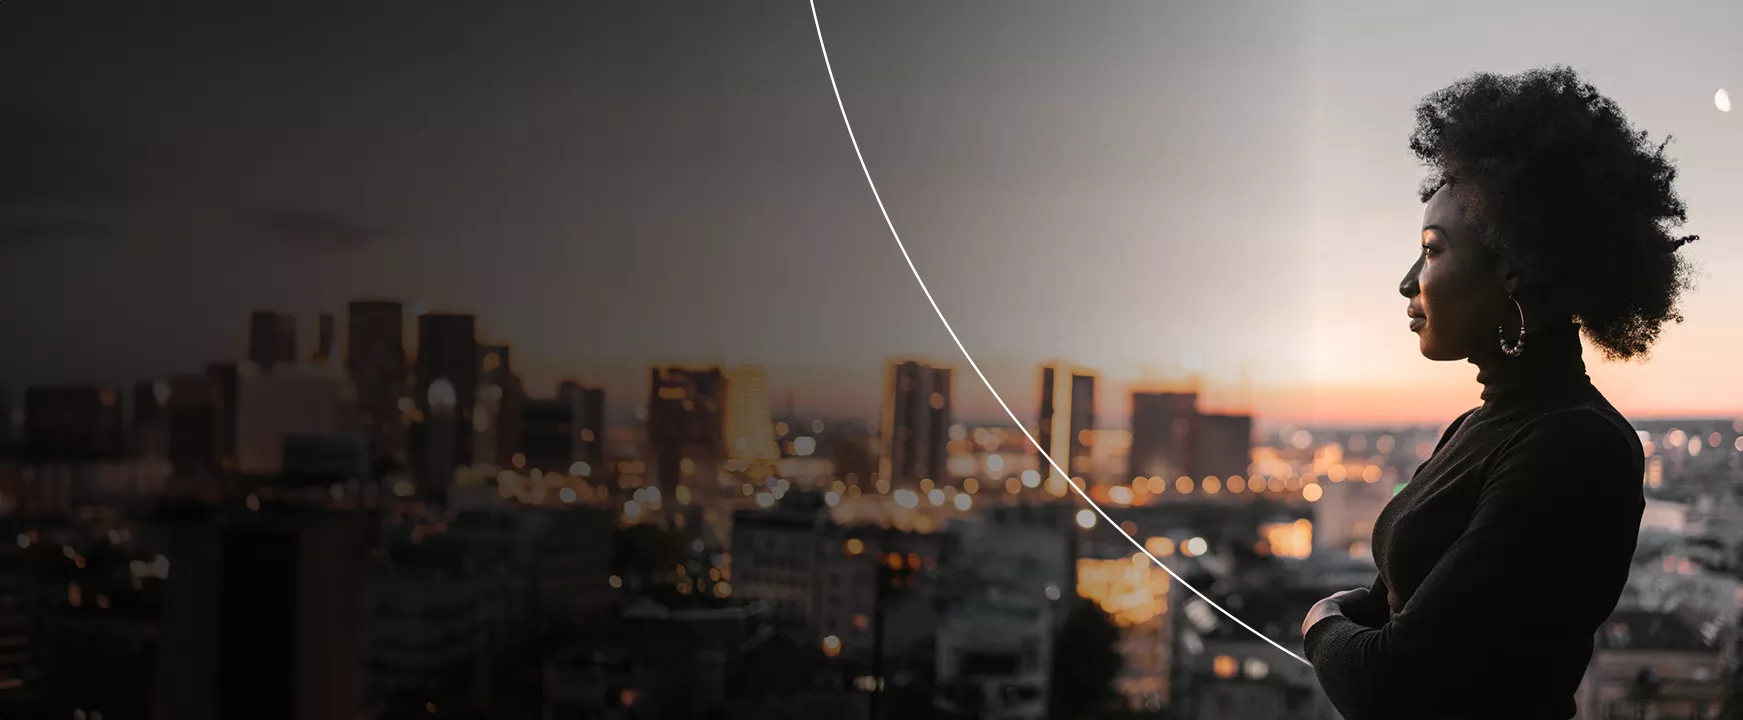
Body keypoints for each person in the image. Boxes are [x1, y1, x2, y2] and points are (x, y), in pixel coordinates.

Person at [1299, 66, 1700, 720]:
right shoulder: (1476, 425)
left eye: (1431, 251)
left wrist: (1317, 619)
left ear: (1513, 265)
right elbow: (1393, 604)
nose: (1407, 282)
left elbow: (1390, 685)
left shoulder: (1573, 445)